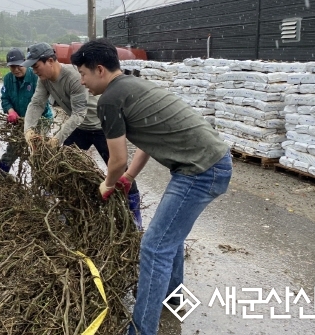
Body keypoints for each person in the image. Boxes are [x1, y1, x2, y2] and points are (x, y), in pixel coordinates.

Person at [70, 39, 232, 335]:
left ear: (100, 70)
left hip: (199, 171)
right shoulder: (133, 85)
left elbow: (116, 160)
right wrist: (129, 177)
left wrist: (106, 185)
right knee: (170, 236)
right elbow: (146, 142)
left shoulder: (108, 100)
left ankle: (141, 329)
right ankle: (173, 299)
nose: (81, 81)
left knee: (155, 247)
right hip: (211, 161)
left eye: (83, 73)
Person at [21, 42, 143, 228]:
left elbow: (79, 113)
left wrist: (56, 139)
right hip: (80, 130)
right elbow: (37, 103)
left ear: (51, 61)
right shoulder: (43, 79)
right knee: (62, 169)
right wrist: (28, 129)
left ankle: (134, 214)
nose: (34, 70)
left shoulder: (73, 77)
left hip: (101, 126)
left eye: (36, 65)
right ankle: (67, 210)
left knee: (121, 172)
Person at [0, 48, 53, 173]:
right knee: (14, 147)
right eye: (12, 67)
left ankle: (42, 180)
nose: (16, 69)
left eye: (19, 66)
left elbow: (41, 103)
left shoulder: (35, 77)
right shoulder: (8, 79)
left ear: (25, 63)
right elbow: (5, 99)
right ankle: (0, 174)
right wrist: (10, 111)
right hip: (20, 121)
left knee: (37, 149)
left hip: (41, 120)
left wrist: (31, 123)